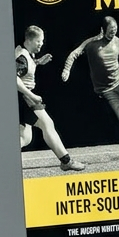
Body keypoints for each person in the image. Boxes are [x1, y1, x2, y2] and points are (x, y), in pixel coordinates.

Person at [61, 16, 119, 160]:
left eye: (115, 30)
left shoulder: (118, 41)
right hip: (106, 91)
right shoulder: (91, 44)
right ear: (102, 30)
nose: (113, 33)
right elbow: (73, 54)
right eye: (110, 31)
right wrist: (66, 70)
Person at [16, 25, 84, 170]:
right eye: (39, 41)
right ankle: (66, 161)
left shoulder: (25, 54)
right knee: (47, 124)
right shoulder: (22, 56)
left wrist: (38, 62)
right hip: (24, 97)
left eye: (42, 41)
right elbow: (13, 78)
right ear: (29, 40)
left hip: (22, 97)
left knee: (25, 138)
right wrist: (31, 95)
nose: (41, 44)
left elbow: (23, 70)